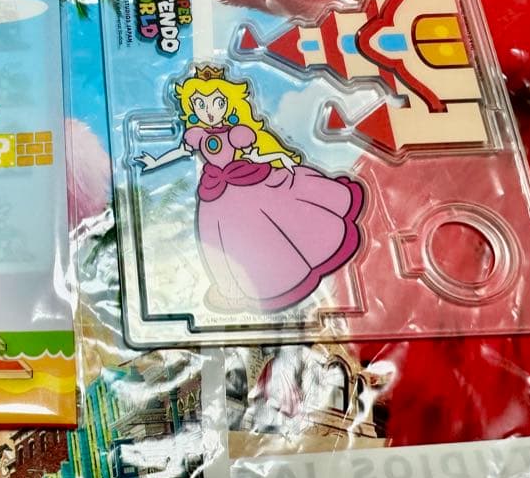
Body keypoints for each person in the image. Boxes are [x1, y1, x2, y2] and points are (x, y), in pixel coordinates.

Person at [136, 65, 364, 312]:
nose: (208, 111)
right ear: (191, 108)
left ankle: (311, 250)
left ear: (229, 103)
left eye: (216, 103)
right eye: (200, 104)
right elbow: (181, 152)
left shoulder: (237, 134)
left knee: (279, 221)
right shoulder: (197, 136)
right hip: (215, 195)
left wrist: (279, 156)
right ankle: (245, 285)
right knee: (221, 240)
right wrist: (154, 162)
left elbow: (255, 155)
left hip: (248, 182)